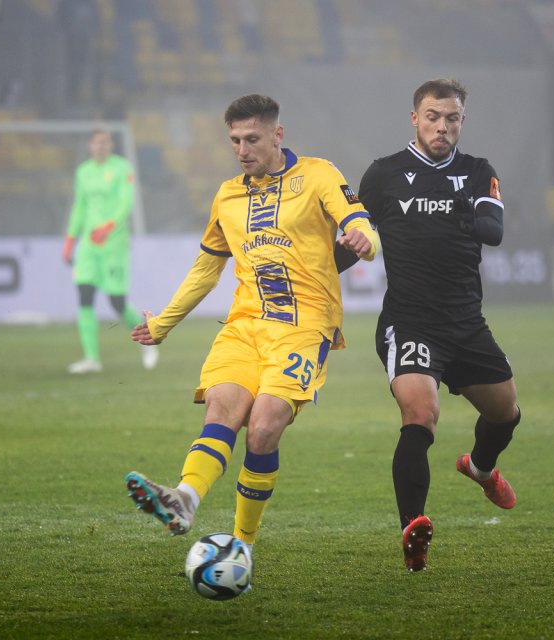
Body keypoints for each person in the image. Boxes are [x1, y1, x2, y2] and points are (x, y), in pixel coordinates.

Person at [125, 94, 379, 559]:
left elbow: (359, 222)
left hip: (305, 326)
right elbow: (206, 271)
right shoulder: (227, 196)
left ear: (277, 135)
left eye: (252, 139)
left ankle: (242, 545)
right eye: (235, 140)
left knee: (262, 428)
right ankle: (184, 499)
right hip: (245, 324)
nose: (242, 150)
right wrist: (162, 324)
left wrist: (366, 242)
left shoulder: (319, 174)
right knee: (221, 410)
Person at [358, 78, 521, 572]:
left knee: (505, 414)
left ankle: (480, 468)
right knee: (421, 413)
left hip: (466, 322)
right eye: (432, 117)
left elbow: (493, 230)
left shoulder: (477, 171)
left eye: (451, 119)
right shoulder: (384, 174)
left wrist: (463, 212)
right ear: (415, 118)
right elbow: (353, 239)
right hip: (409, 321)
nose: (441, 127)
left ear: (462, 122)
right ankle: (413, 528)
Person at [62, 129, 157, 374]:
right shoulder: (83, 172)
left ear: (111, 145)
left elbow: (126, 202)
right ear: (90, 145)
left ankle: (147, 337)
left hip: (114, 244)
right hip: (89, 245)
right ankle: (91, 359)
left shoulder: (122, 168)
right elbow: (80, 207)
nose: (101, 146)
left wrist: (108, 227)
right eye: (97, 142)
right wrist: (70, 240)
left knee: (117, 303)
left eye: (105, 142)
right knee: (84, 296)